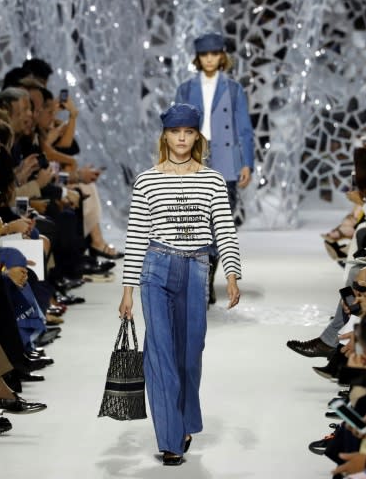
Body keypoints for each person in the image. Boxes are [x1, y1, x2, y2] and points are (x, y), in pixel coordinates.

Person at [118, 103, 242, 466]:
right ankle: (170, 439)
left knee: (190, 355)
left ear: (197, 136)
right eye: (175, 132)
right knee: (160, 354)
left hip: (197, 269)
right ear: (165, 136)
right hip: (156, 268)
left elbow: (224, 230)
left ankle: (185, 422)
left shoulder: (213, 180)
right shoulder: (147, 180)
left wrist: (232, 273)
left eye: (188, 132)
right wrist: (127, 289)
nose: (182, 138)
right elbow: (137, 235)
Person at [175, 32, 253, 303]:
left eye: (214, 54)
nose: (209, 59)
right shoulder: (186, 88)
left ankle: (206, 281)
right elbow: (174, 128)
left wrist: (247, 163)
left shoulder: (233, 89)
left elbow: (244, 130)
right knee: (192, 223)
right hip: (193, 159)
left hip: (225, 164)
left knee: (219, 224)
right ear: (198, 58)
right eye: (205, 55)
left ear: (222, 56)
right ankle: (198, 281)